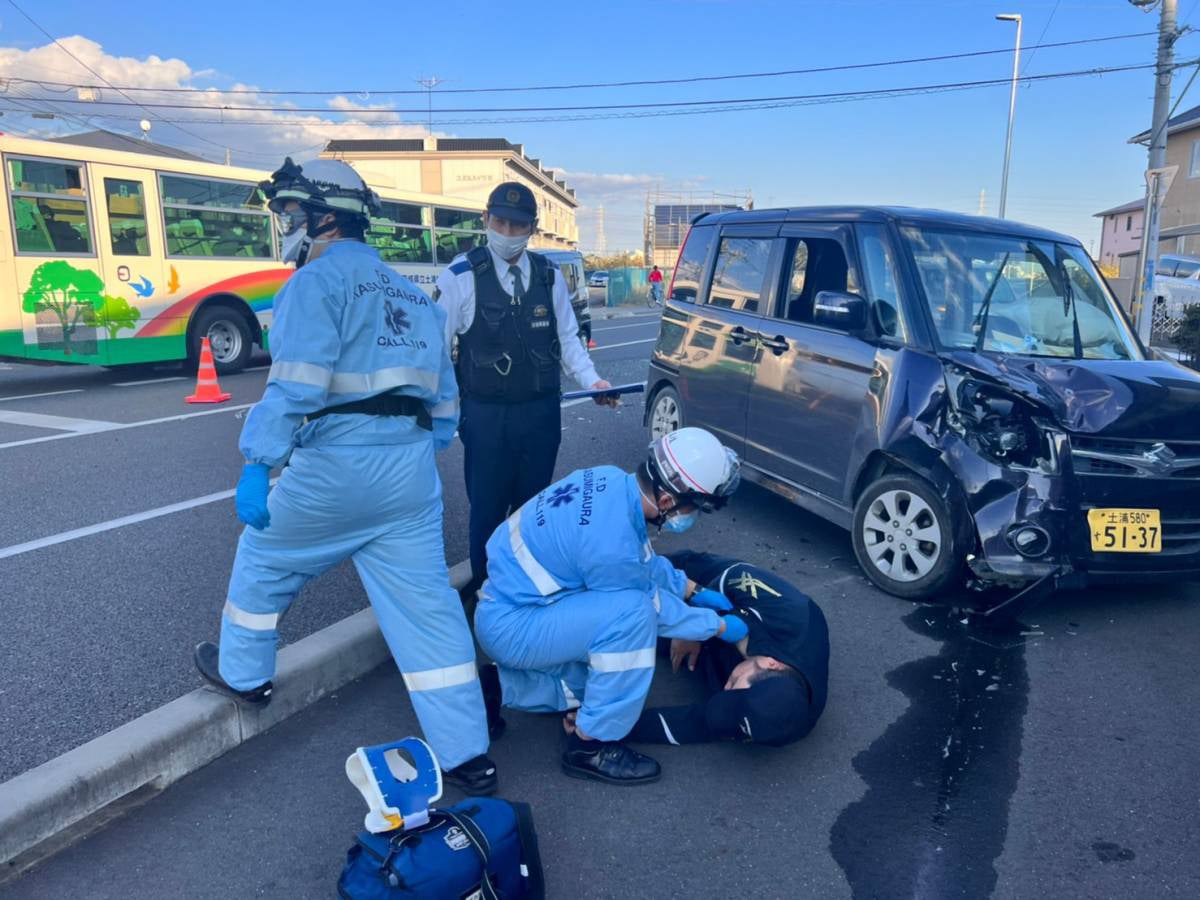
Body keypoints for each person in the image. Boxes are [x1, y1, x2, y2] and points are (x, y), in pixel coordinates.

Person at [192, 157, 497, 795]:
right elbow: (446, 400)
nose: (288, 225)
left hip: (335, 463)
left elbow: (295, 386)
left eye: (293, 213)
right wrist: (418, 447)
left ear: (325, 219)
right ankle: (468, 751)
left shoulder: (313, 284)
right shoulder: (414, 295)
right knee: (428, 611)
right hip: (410, 472)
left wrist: (259, 464)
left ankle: (245, 677)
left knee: (264, 558)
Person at [474, 427, 743, 785]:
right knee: (633, 616)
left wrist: (690, 588)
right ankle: (591, 746)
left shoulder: (611, 481)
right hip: (516, 627)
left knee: (599, 687)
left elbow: (639, 559)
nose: (694, 517)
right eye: (695, 508)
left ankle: (495, 688)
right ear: (667, 502)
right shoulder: (612, 546)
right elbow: (649, 604)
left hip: (513, 604)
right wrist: (717, 626)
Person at [433, 182, 616, 601]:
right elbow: (436, 353)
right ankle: (486, 597)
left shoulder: (549, 276)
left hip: (540, 415)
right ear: (485, 219)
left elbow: (568, 340)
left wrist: (593, 382)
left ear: (532, 227)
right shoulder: (461, 276)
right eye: (500, 222)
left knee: (534, 510)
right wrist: (442, 414)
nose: (507, 232)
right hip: (486, 416)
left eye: (518, 225)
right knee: (487, 511)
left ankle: (527, 593)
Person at [626, 551, 829, 747]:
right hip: (709, 584)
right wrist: (691, 624)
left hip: (718, 650)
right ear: (771, 664)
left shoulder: (775, 722)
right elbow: (734, 575)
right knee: (629, 579)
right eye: (734, 682)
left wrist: (614, 730)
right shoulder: (792, 614)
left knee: (632, 631)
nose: (726, 688)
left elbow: (697, 724)